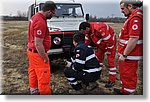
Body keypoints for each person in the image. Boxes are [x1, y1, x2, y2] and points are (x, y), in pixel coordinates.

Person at [27, 1, 56, 95]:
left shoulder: (35, 17)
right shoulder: (40, 22)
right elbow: (38, 44)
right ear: (48, 11)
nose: (53, 15)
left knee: (33, 72)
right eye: (53, 13)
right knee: (44, 76)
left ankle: (34, 91)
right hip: (38, 54)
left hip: (32, 52)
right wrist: (45, 57)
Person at [114, 0, 143, 95]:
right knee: (125, 75)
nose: (122, 11)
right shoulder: (132, 17)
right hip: (127, 55)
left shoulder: (136, 18)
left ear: (130, 6)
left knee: (128, 75)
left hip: (129, 55)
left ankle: (128, 94)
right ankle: (124, 90)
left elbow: (133, 38)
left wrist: (124, 54)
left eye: (123, 8)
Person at [79, 22, 117, 88]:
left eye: (84, 31)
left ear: (87, 28)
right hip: (101, 45)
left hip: (110, 44)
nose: (84, 33)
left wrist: (109, 50)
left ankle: (112, 80)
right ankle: (97, 76)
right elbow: (87, 44)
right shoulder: (88, 33)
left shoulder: (99, 28)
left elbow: (109, 40)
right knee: (98, 61)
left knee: (110, 62)